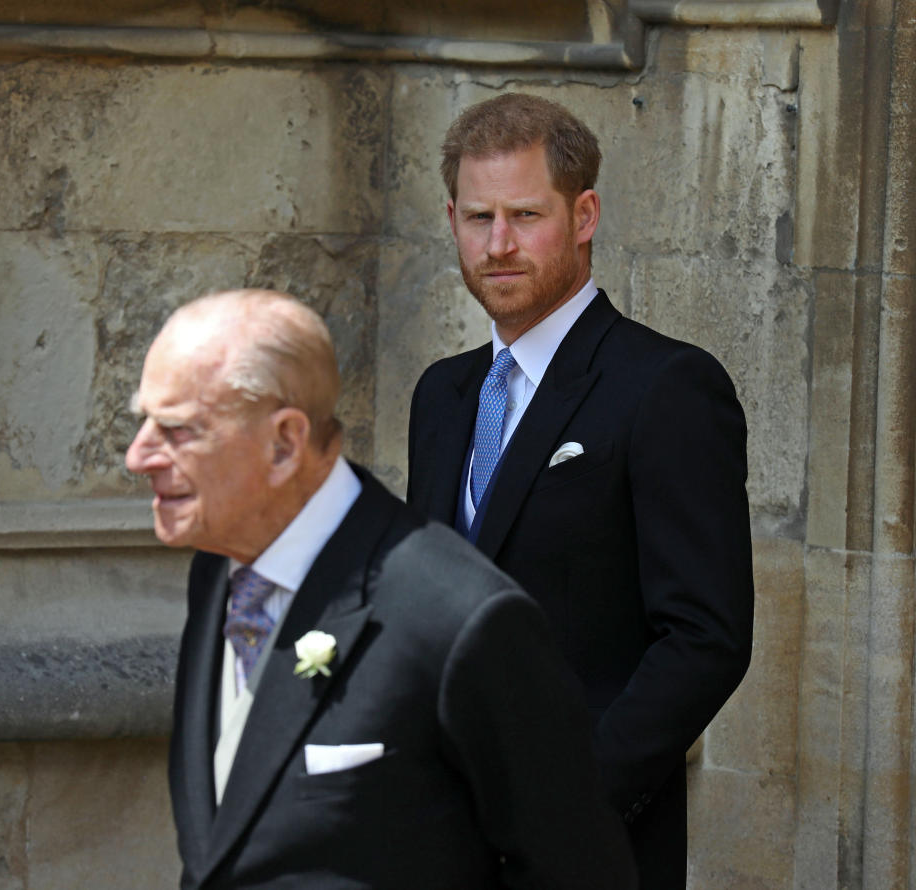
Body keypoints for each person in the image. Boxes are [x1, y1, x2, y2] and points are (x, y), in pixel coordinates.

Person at [125, 288, 636, 890]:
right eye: (143, 421)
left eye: (178, 430)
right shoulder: (218, 570)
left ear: (285, 443)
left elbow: (578, 871)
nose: (140, 456)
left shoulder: (461, 619)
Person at [406, 93, 755, 889]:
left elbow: (706, 639)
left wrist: (563, 810)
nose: (498, 245)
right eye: (477, 217)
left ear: (584, 214)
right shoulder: (442, 395)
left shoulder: (666, 386)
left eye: (526, 215)